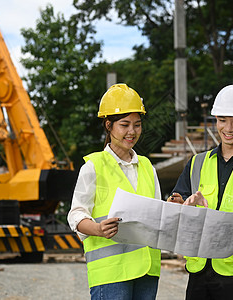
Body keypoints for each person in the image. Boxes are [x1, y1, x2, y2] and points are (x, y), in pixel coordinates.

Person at [168, 85, 233, 300]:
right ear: (215, 119)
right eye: (222, 120)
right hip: (199, 268)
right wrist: (177, 202)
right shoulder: (197, 163)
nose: (228, 128)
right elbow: (176, 201)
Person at [67, 83, 162, 300]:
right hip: (111, 273)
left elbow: (157, 213)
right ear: (108, 125)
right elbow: (75, 215)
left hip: (147, 270)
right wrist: (98, 229)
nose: (132, 132)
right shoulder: (93, 166)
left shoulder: (147, 167)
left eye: (137, 125)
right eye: (124, 124)